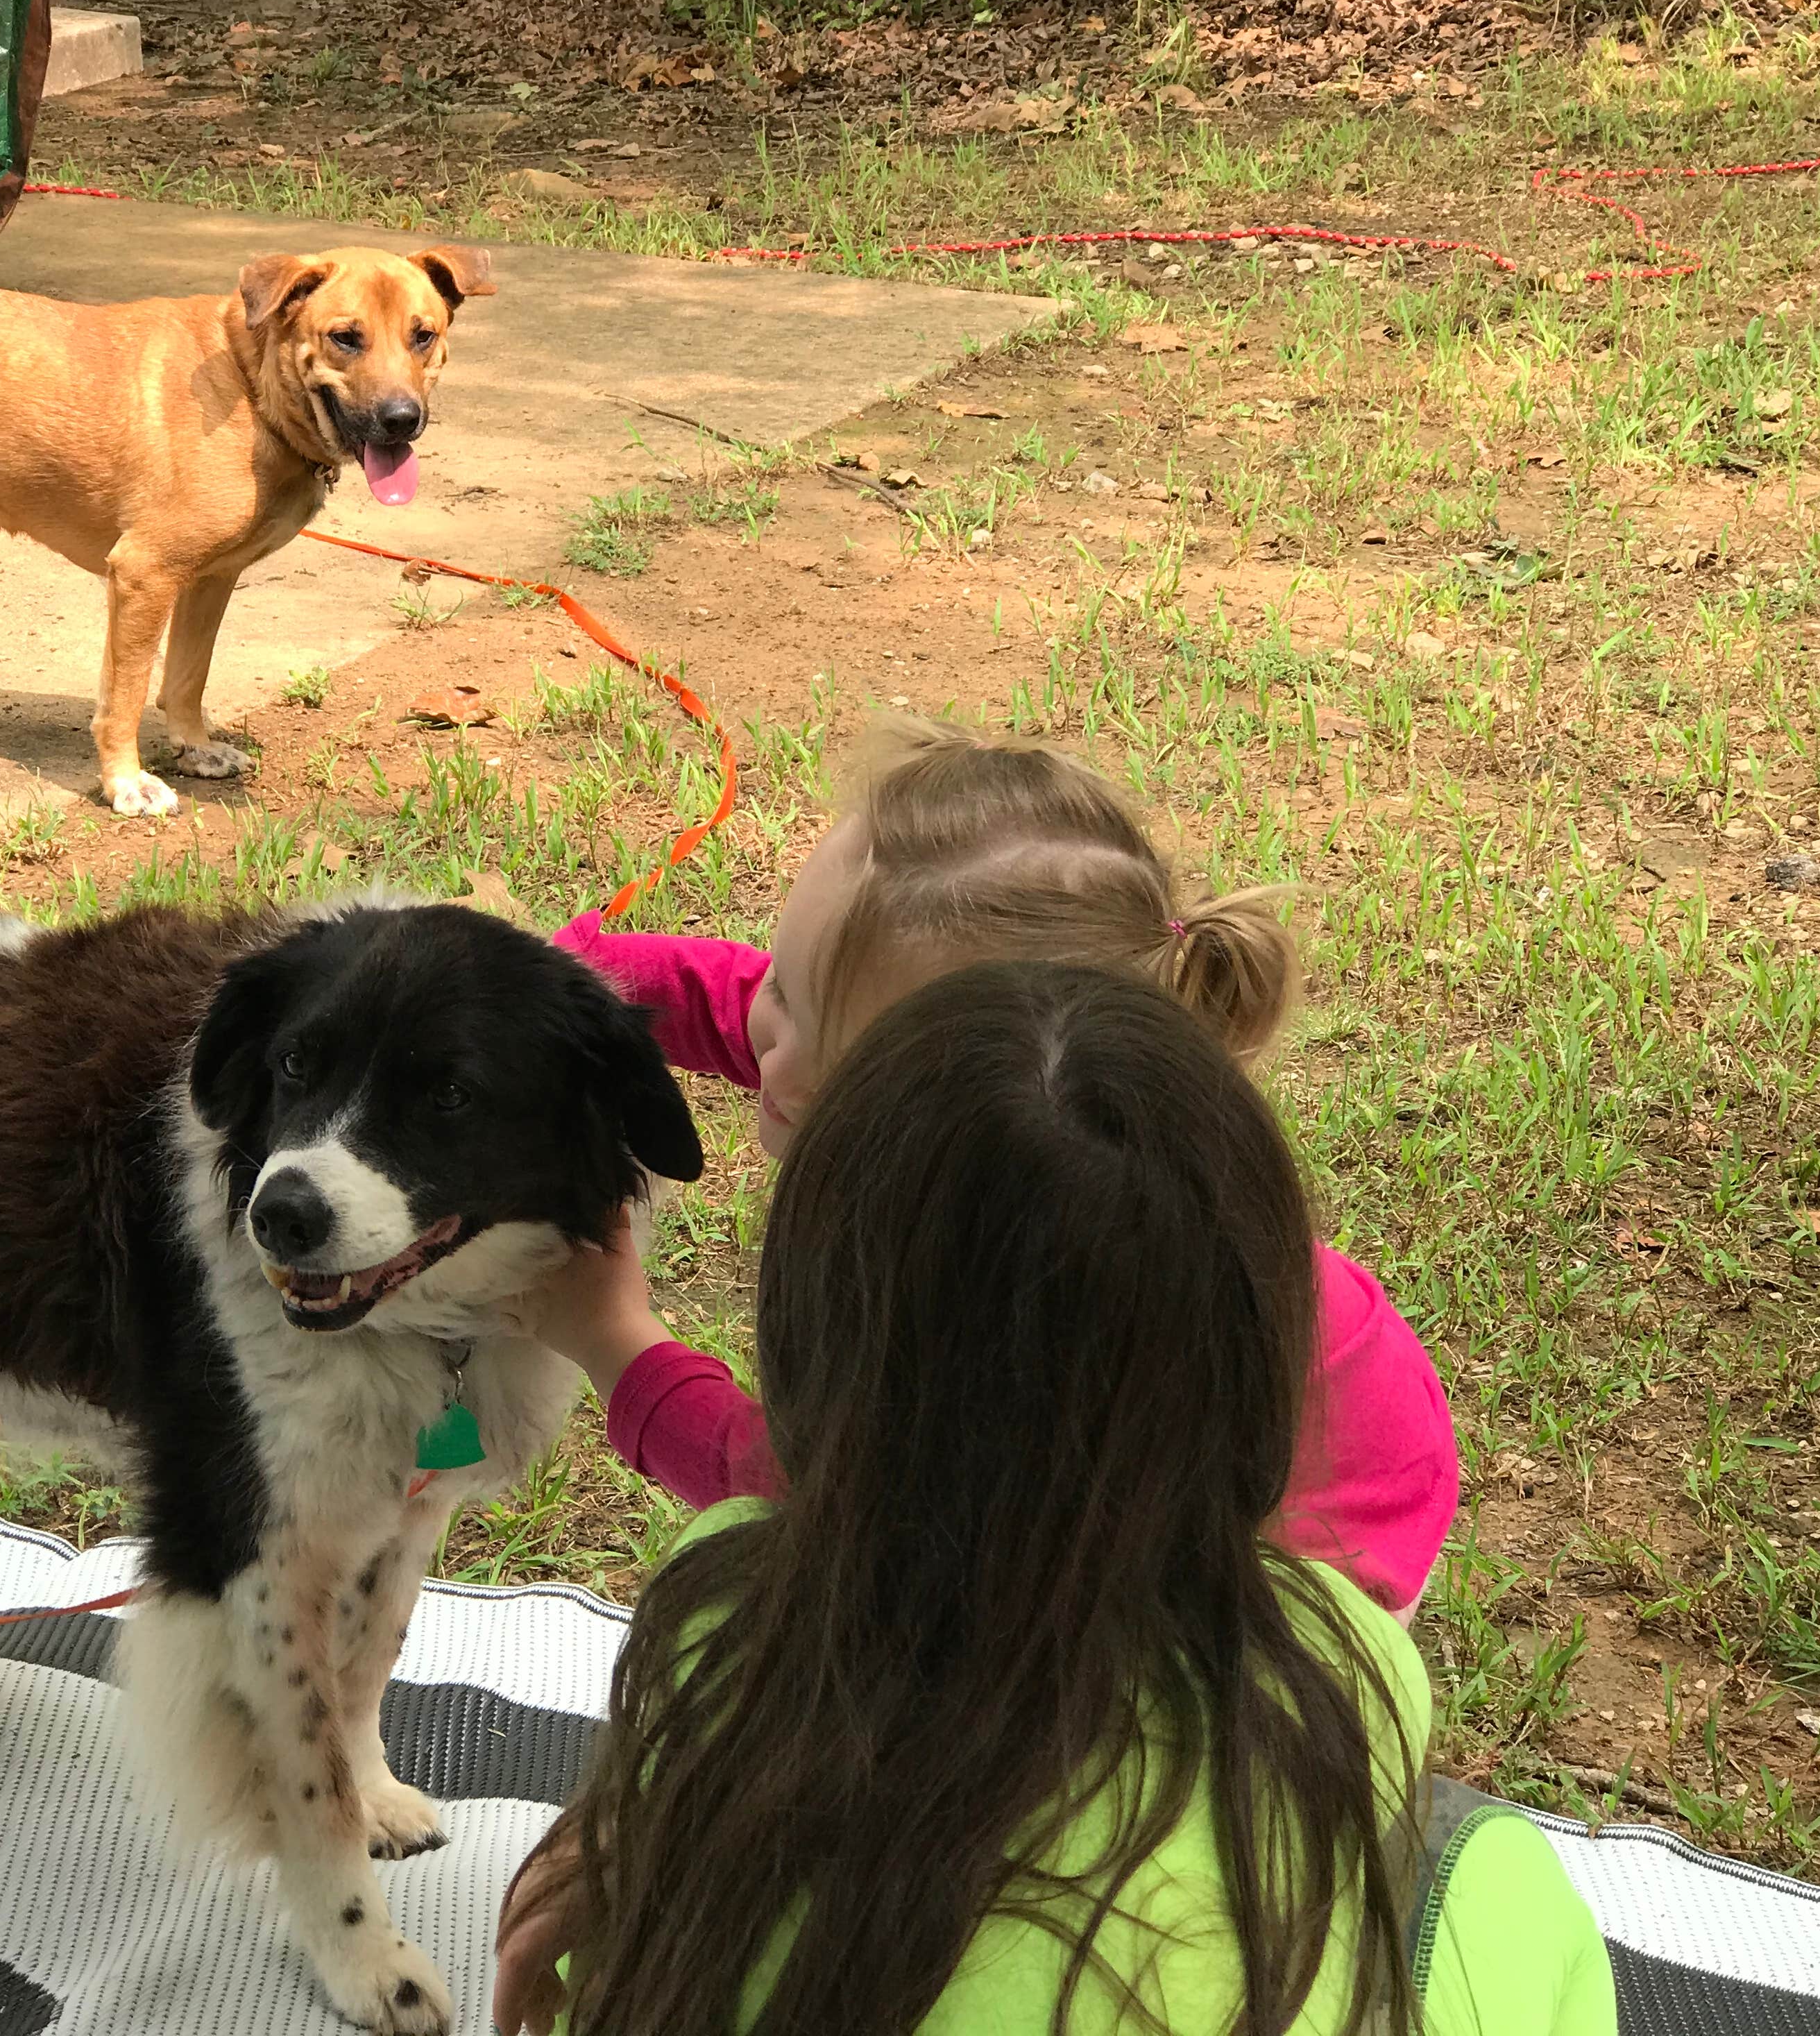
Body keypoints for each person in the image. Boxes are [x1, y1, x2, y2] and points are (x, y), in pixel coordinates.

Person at [491, 964, 1615, 2036]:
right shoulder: (1343, 1657)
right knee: (1483, 1873)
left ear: (807, 1332)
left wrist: (635, 1851)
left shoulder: (720, 1606)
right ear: (1259, 1361)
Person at [547, 715, 1454, 1617]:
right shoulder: (1009, 1116)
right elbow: (754, 1001)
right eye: (786, 986)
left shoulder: (1010, 1293)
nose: (771, 1054)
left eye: (837, 1060)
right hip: (1337, 1414)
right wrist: (565, 977)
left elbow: (811, 1492)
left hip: (1313, 1556)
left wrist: (615, 1340)